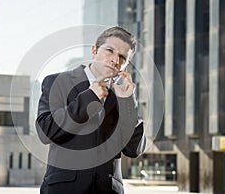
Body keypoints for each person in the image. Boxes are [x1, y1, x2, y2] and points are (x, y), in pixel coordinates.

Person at [36, 26, 145, 194]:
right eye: (109, 50)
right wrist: (90, 96)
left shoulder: (123, 96)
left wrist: (128, 104)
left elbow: (133, 150)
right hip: (64, 189)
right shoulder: (57, 82)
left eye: (123, 57)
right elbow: (46, 132)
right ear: (94, 50)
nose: (115, 60)